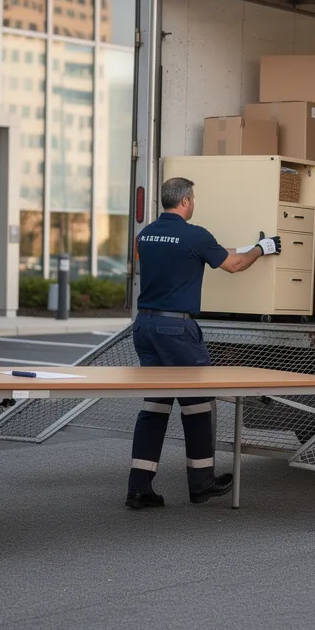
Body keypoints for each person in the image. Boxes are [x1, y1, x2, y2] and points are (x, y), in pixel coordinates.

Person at [125, 177, 281, 510]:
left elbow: (207, 253)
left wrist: (250, 248)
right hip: (176, 331)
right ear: (186, 201)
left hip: (145, 326)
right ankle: (201, 483)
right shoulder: (195, 234)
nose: (194, 203)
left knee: (154, 407)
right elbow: (233, 264)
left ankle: (139, 488)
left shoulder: (146, 235)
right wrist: (261, 249)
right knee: (197, 406)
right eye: (193, 198)